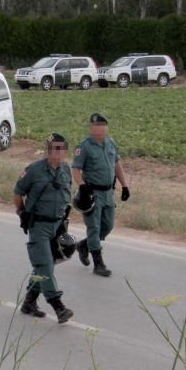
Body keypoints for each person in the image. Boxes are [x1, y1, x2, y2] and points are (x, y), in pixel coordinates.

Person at [13, 133, 75, 323]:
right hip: (38, 225)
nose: (57, 151)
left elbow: (66, 194)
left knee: (42, 266)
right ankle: (58, 306)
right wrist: (21, 212)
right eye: (53, 148)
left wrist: (64, 221)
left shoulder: (66, 170)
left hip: (57, 225)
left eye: (61, 148)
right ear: (48, 150)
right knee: (46, 265)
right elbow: (18, 191)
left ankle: (29, 303)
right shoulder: (34, 170)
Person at [73, 113, 129, 276]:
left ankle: (84, 245)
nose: (99, 128)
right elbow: (76, 170)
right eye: (96, 125)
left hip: (108, 192)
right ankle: (99, 264)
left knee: (108, 225)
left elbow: (117, 164)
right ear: (90, 127)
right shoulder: (83, 146)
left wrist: (124, 186)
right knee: (94, 227)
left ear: (106, 127)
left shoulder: (110, 143)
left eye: (102, 125)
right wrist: (82, 187)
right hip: (92, 193)